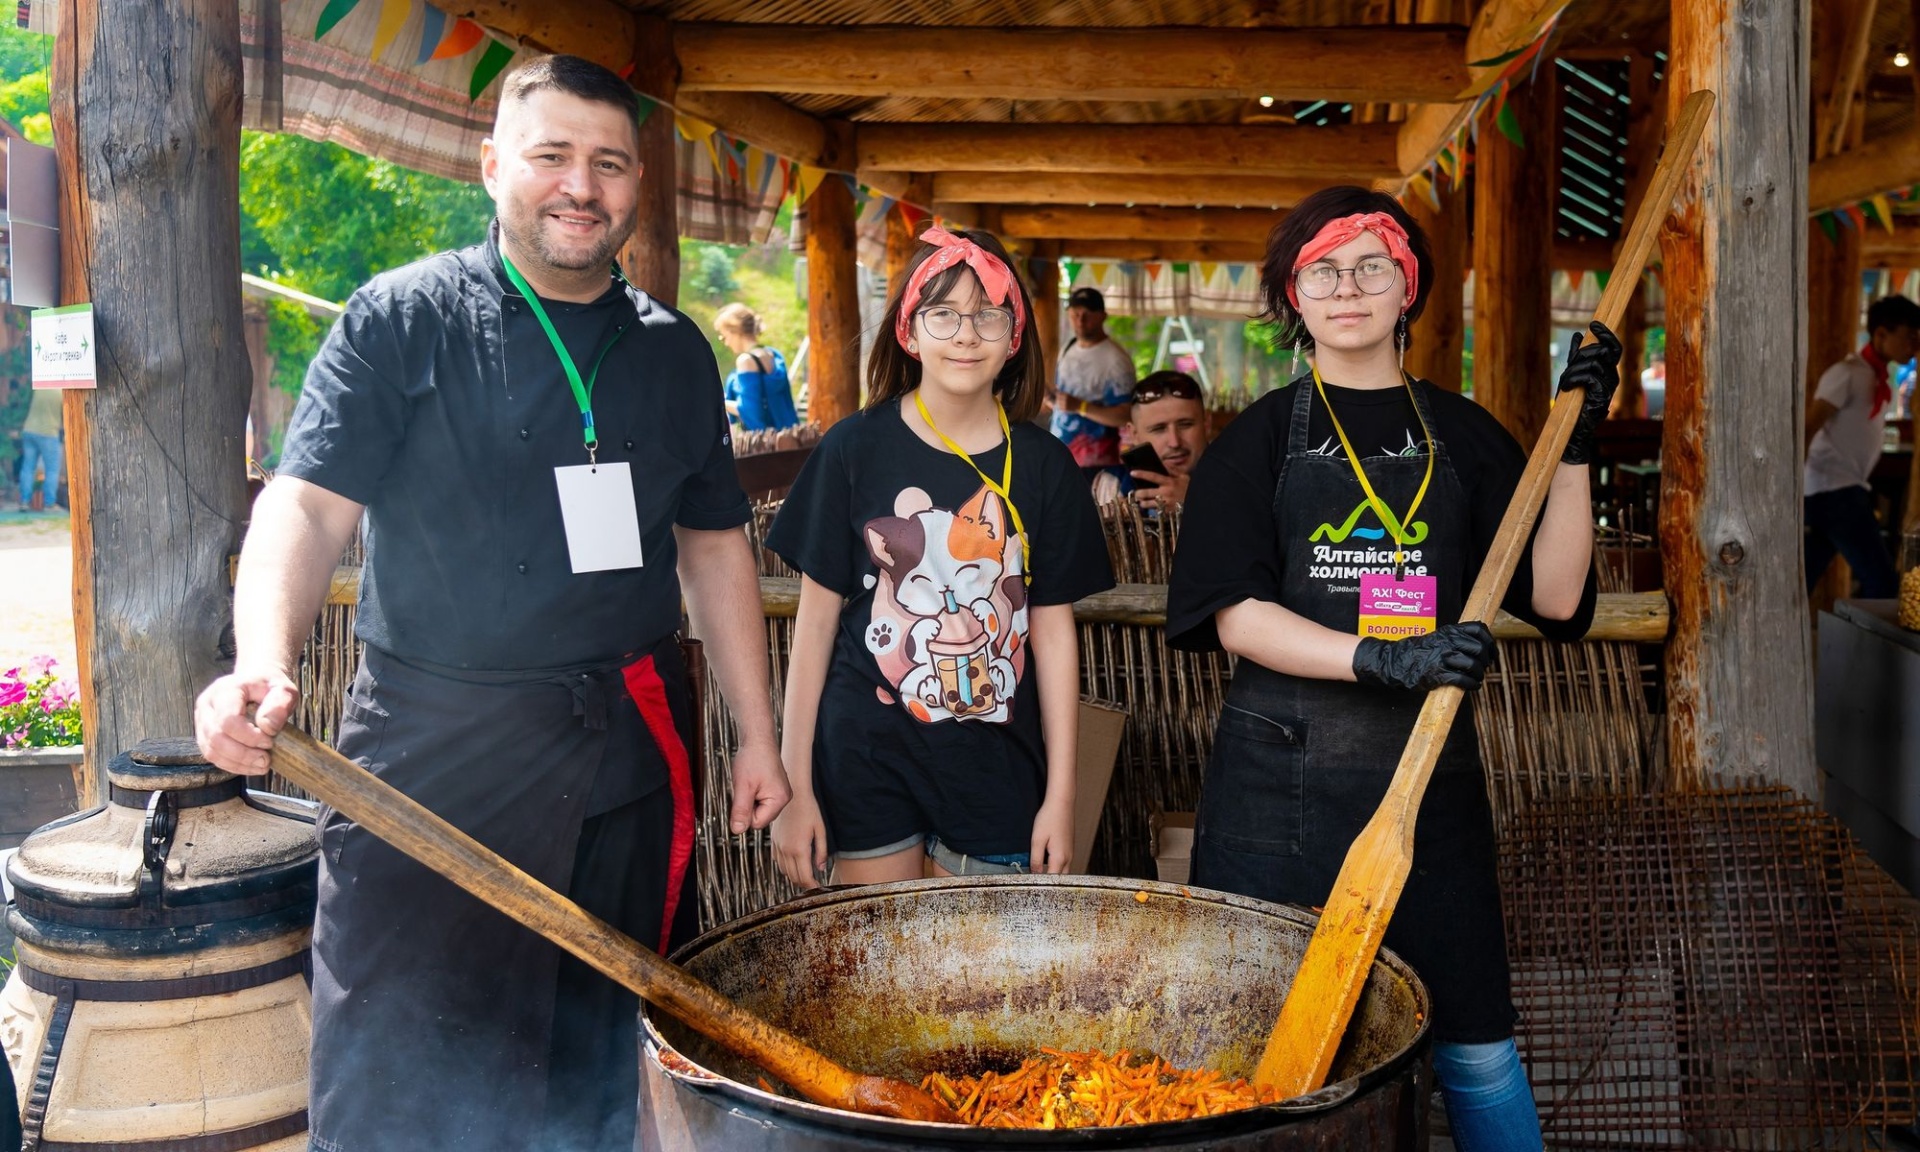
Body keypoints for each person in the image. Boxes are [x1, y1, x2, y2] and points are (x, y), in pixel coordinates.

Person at [192, 55, 790, 1152]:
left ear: (636, 188)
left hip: (625, 757)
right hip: (431, 764)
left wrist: (758, 735)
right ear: (492, 165)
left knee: (601, 1064)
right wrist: (262, 657)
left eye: (609, 163)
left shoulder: (675, 352)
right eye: (552, 155)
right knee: (400, 1069)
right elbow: (307, 508)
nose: (581, 185)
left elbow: (713, 550)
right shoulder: (399, 318)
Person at [1166, 186, 1613, 1150]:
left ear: (1407, 287)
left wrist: (1573, 452)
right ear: (1295, 295)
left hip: (1427, 787)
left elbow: (1562, 596)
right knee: (1260, 1054)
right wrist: (1378, 655)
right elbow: (1236, 618)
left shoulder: (1467, 434)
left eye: (1371, 265)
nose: (1347, 287)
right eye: (1322, 269)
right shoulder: (1251, 444)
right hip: (1274, 795)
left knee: (1479, 1051)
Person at [765, 227, 1114, 890]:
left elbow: (1054, 632)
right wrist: (794, 786)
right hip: (863, 759)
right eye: (944, 313)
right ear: (908, 331)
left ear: (1015, 336)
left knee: (983, 987)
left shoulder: (1043, 466)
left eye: (989, 314)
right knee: (873, 980)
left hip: (1000, 771)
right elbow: (813, 624)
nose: (966, 333)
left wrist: (1061, 798)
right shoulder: (852, 450)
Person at [1804, 293, 1920, 598]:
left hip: (1841, 487)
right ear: (1881, 334)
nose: (1914, 345)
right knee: (1882, 582)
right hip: (1834, 488)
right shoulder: (1846, 373)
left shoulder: (1878, 376)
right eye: (1908, 336)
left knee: (1802, 575)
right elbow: (1807, 428)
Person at [1049, 286, 1137, 474]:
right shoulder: (1068, 347)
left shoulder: (1116, 360)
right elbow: (1064, 402)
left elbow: (1127, 415)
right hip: (1060, 456)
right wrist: (1050, 399)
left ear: (1102, 316)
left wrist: (1080, 407)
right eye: (1075, 313)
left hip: (1096, 464)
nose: (1080, 320)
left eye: (1088, 314)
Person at [1100, 369, 1212, 512]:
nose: (1175, 442)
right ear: (1134, 434)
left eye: (1185, 425)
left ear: (1206, 424)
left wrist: (1197, 502)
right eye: (1159, 429)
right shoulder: (1111, 486)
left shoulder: (1238, 482)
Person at [715, 301, 800, 431]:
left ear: (735, 331)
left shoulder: (746, 361)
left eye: (724, 337)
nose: (726, 343)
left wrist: (717, 401)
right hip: (790, 434)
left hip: (768, 442)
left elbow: (751, 412)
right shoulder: (773, 354)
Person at [14, 386, 63, 513]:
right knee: (52, 469)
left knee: (28, 468)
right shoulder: (62, 392)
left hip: (29, 430)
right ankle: (49, 504)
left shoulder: (40, 388)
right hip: (48, 433)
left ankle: (24, 502)